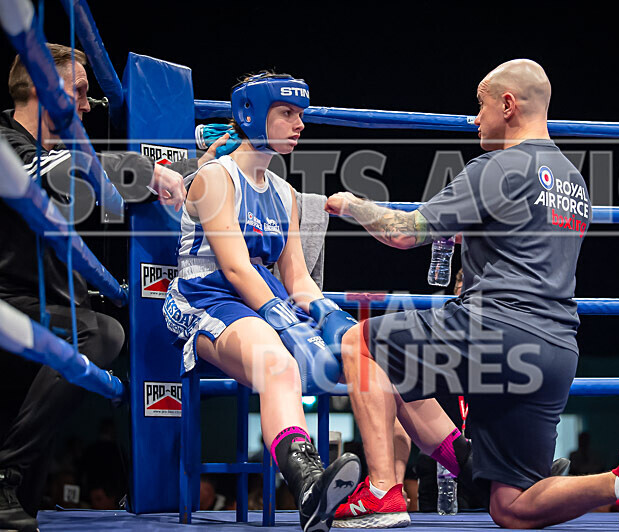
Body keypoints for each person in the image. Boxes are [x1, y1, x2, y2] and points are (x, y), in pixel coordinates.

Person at [325, 59, 619, 531]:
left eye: (481, 105)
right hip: (556, 350)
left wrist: (353, 205)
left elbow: (404, 232)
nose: (475, 118)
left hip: (493, 330)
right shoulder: (575, 183)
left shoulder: (497, 167)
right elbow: (525, 241)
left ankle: (381, 492)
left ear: (508, 105)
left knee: (363, 342)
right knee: (512, 507)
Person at [0, 43, 223, 532]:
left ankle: (50, 489)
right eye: (78, 91)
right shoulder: (5, 142)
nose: (85, 105)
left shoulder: (60, 152)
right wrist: (146, 170)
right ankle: (4, 475)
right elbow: (63, 177)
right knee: (99, 334)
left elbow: (116, 183)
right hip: (8, 304)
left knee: (125, 332)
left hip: (44, 306)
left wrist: (201, 159)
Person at [162, 71, 361, 532]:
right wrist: (281, 319)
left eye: (300, 115)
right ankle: (310, 482)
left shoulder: (285, 194)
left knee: (364, 347)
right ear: (251, 115)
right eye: (286, 114)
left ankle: (467, 464)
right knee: (278, 361)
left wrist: (328, 315)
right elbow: (233, 268)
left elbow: (296, 277)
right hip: (204, 298)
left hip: (256, 303)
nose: (299, 125)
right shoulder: (216, 177)